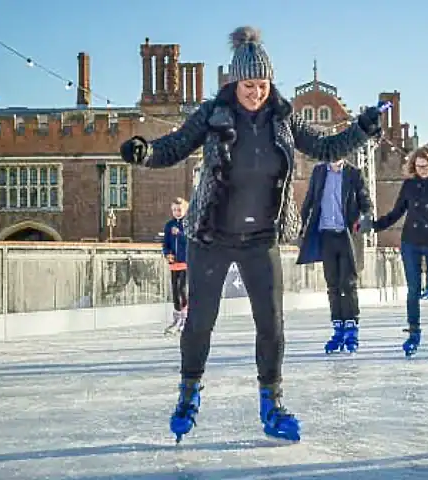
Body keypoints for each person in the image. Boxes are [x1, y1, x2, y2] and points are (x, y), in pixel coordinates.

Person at [118, 26, 383, 443]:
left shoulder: (283, 117)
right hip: (212, 235)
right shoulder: (214, 114)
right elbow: (174, 146)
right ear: (234, 82)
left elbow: (326, 149)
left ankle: (271, 403)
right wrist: (145, 152)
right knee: (200, 322)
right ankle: (188, 394)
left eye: (261, 85)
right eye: (248, 85)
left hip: (262, 238)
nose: (255, 93)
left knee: (272, 324)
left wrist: (363, 128)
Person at [373, 146, 428, 357]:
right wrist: (374, 225)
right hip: (411, 242)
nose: (422, 169)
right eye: (419, 166)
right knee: (413, 290)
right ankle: (413, 333)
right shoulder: (409, 186)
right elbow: (396, 213)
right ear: (414, 166)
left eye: (426, 166)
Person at [297, 155, 373, 354]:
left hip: (346, 235)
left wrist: (365, 219)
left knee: (348, 284)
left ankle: (352, 327)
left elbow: (366, 202)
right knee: (332, 284)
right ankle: (338, 327)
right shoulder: (319, 172)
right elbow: (310, 200)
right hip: (326, 235)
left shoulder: (354, 173)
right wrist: (300, 225)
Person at [163, 198, 189, 335]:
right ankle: (177, 317)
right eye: (174, 210)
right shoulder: (169, 225)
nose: (177, 212)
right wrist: (167, 254)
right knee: (175, 291)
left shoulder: (188, 224)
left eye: (179, 210)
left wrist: (180, 233)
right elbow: (165, 244)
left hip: (186, 263)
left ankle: (185, 318)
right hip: (174, 264)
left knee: (182, 289)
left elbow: (190, 240)